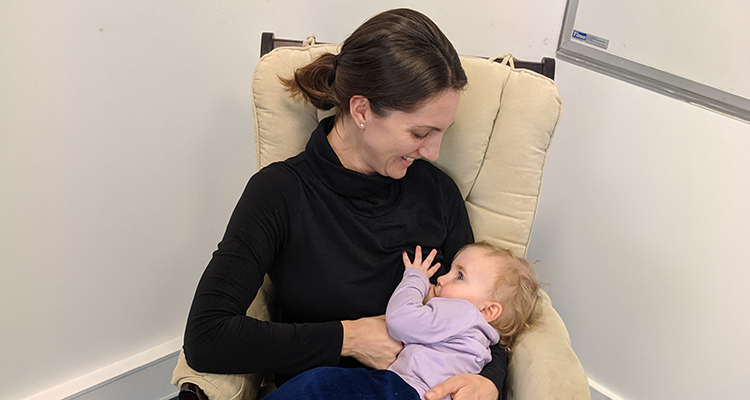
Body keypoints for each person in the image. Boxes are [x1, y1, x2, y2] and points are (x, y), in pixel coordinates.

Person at [179, 8, 507, 400]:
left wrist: (489, 379)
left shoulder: (438, 194)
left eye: (442, 132)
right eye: (420, 132)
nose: (434, 152)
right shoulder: (281, 193)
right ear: (362, 110)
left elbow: (485, 315)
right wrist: (347, 337)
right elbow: (207, 335)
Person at [259, 242, 542, 400]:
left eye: (459, 276)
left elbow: (401, 320)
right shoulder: (477, 337)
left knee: (317, 384)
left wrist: (415, 279)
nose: (441, 278)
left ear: (488, 311)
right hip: (412, 392)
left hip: (404, 391)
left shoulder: (465, 314)